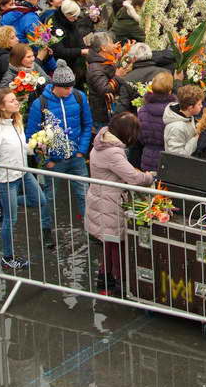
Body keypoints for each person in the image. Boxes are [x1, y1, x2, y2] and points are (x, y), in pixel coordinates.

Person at [84, 112, 155, 294]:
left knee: (109, 244)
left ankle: (104, 281)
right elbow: (134, 177)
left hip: (100, 200)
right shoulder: (113, 152)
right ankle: (121, 284)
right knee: (118, 245)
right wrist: (150, 176)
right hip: (110, 204)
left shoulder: (102, 142)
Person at [26, 64, 94, 235]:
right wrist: (46, 160)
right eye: (66, 87)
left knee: (84, 194)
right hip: (54, 162)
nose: (70, 90)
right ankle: (46, 229)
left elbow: (87, 125)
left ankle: (90, 229)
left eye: (71, 86)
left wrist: (81, 151)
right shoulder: (39, 104)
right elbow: (32, 137)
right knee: (49, 197)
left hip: (76, 158)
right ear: (56, 86)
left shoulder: (79, 97)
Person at [0, 85, 38, 271]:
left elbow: (22, 147)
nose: (17, 103)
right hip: (7, 179)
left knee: (39, 200)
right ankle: (7, 257)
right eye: (12, 101)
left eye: (16, 99)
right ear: (2, 106)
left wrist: (34, 147)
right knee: (10, 219)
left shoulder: (17, 121)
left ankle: (0, 202)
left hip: (23, 172)